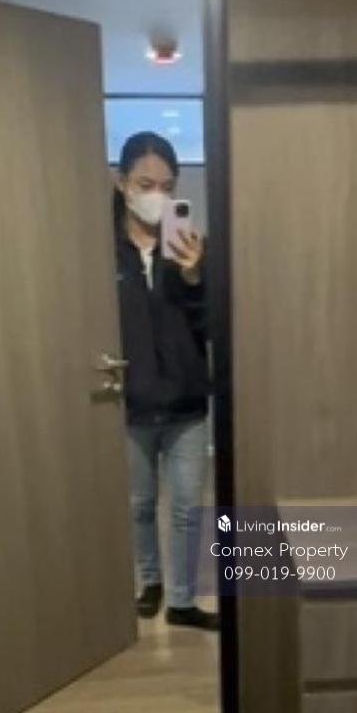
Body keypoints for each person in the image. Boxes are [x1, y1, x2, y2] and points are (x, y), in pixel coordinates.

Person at [113, 131, 218, 631]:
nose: (157, 194)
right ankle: (150, 582)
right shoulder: (101, 251)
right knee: (139, 506)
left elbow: (213, 329)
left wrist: (195, 279)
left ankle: (181, 600)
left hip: (186, 404)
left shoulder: (190, 248)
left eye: (167, 186)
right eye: (145, 183)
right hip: (130, 404)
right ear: (122, 183)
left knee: (186, 508)